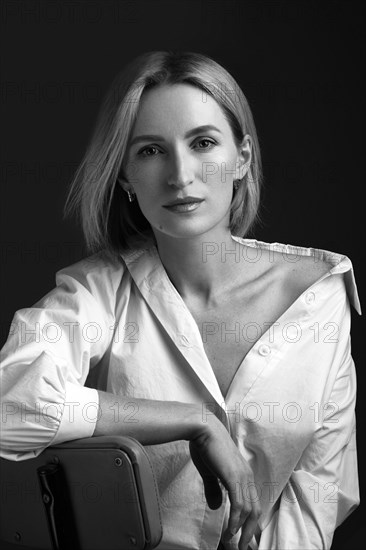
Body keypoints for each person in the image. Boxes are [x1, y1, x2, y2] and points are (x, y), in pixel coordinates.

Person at [0, 51, 361, 550]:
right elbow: (10, 409)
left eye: (204, 143)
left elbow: (319, 492)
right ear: (124, 176)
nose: (180, 175)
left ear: (242, 158)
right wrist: (190, 420)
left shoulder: (319, 296)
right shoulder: (98, 292)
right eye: (150, 151)